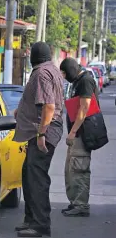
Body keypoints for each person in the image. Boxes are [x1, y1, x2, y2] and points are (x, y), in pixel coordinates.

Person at [13, 42, 64, 237]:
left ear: (33, 57)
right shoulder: (52, 69)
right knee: (29, 175)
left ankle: (40, 224)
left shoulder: (42, 73)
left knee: (37, 179)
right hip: (42, 131)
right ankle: (31, 219)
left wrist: (42, 134)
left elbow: (49, 106)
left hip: (43, 133)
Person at [60, 57, 99, 217]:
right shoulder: (78, 81)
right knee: (71, 170)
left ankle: (81, 205)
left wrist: (73, 131)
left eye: (64, 73)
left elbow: (84, 107)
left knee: (79, 169)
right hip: (77, 135)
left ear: (70, 70)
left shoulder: (85, 81)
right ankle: (75, 202)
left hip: (82, 135)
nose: (63, 76)